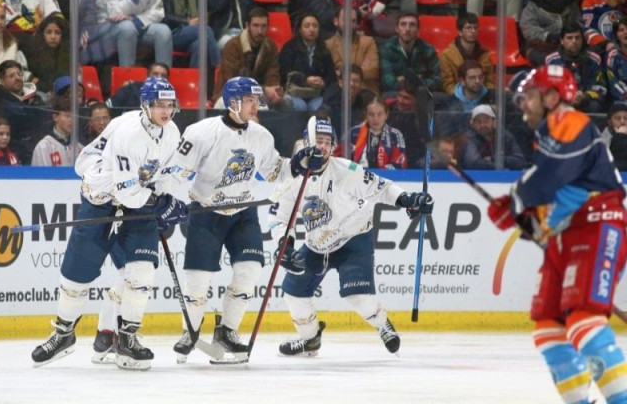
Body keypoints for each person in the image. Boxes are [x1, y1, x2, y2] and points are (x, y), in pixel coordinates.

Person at [487, 65, 627, 404]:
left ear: (552, 97)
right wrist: (532, 220)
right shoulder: (548, 133)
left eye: (531, 96)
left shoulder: (570, 122)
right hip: (570, 231)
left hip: (599, 223)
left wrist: (517, 201)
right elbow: (563, 191)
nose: (524, 104)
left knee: (582, 317)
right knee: (548, 325)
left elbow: (551, 174)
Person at [158, 76, 321, 363]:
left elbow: (274, 171)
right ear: (233, 101)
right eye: (250, 100)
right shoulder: (201, 132)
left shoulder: (261, 135)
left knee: (248, 272)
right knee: (198, 281)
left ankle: (227, 332)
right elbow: (176, 171)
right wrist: (167, 201)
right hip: (206, 212)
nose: (256, 105)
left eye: (257, 100)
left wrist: (298, 163)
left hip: (243, 213)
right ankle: (190, 331)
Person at [31, 76, 187, 371]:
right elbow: (127, 191)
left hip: (137, 200)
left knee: (141, 273)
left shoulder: (171, 131)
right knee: (76, 278)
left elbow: (163, 175)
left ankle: (127, 339)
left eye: (170, 105)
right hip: (102, 197)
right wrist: (159, 205)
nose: (166, 111)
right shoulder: (129, 134)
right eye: (159, 105)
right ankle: (63, 334)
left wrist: (167, 199)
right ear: (145, 105)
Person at [270, 118, 433, 357]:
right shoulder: (291, 177)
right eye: (318, 141)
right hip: (317, 245)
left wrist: (408, 200)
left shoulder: (347, 170)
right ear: (305, 143)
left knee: (356, 295)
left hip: (354, 237)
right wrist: (285, 246)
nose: (322, 147)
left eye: (327, 142)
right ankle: (310, 339)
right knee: (294, 293)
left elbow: (382, 188)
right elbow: (280, 218)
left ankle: (382, 324)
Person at [95, 0, 173, 67]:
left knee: (164, 31)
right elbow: (113, 13)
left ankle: (164, 79)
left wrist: (134, 19)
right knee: (127, 27)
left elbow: (158, 11)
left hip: (140, 26)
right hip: (109, 28)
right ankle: (127, 76)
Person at [212, 8, 284, 109]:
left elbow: (272, 73)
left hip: (258, 94)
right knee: (261, 107)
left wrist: (273, 89)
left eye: (263, 26)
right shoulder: (233, 45)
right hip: (232, 93)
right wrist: (263, 89)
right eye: (256, 26)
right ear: (247, 26)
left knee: (286, 101)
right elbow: (233, 81)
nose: (260, 31)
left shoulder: (270, 46)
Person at [160, 0, 220, 68]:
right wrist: (187, 22)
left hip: (192, 32)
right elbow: (164, 16)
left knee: (200, 45)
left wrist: (204, 17)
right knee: (206, 31)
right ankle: (219, 68)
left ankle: (196, 81)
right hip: (172, 32)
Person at [279, 13, 337, 112]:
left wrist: (323, 82)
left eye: (315, 26)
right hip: (295, 92)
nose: (311, 29)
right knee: (300, 107)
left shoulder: (323, 49)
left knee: (319, 107)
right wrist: (305, 80)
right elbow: (285, 72)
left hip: (316, 93)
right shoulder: (290, 47)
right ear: (300, 30)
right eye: (307, 26)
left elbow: (331, 75)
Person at [519, 0, 580, 67]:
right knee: (555, 61)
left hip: (566, 47)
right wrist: (548, 36)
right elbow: (528, 29)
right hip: (539, 47)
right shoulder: (534, 5)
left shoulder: (570, 4)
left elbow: (579, 23)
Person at [379, 13, 441, 94]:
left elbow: (437, 80)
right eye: (403, 24)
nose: (407, 29)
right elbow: (386, 82)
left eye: (412, 25)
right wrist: (417, 80)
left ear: (418, 30)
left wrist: (405, 81)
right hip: (396, 94)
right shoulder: (387, 49)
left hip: (422, 93)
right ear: (397, 29)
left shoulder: (428, 49)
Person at [439, 13, 494, 95]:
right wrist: (463, 97)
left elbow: (490, 82)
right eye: (468, 28)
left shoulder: (485, 54)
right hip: (457, 98)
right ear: (459, 32)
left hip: (481, 96)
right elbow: (448, 85)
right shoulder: (446, 56)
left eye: (475, 28)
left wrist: (485, 96)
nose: (473, 31)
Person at [458, 104, 525, 170]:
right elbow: (473, 163)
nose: (482, 125)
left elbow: (520, 161)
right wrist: (500, 166)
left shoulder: (504, 136)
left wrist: (493, 159)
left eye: (486, 121)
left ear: (494, 122)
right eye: (478, 121)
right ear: (472, 124)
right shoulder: (468, 138)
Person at [349, 98, 408, 169]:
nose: (375, 119)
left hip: (387, 178)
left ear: (386, 115)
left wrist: (379, 174)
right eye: (371, 114)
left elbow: (399, 163)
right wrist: (357, 170)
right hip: (358, 176)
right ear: (366, 115)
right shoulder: (354, 133)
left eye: (379, 114)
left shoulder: (395, 135)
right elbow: (343, 160)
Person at [31, 96, 80, 166]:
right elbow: (43, 175)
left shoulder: (79, 147)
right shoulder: (44, 147)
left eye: (75, 116)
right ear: (55, 117)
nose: (72, 120)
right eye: (68, 116)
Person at [600, 100, 627, 171]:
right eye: (618, 118)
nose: (622, 122)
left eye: (626, 118)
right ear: (610, 122)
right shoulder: (603, 138)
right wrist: (620, 136)